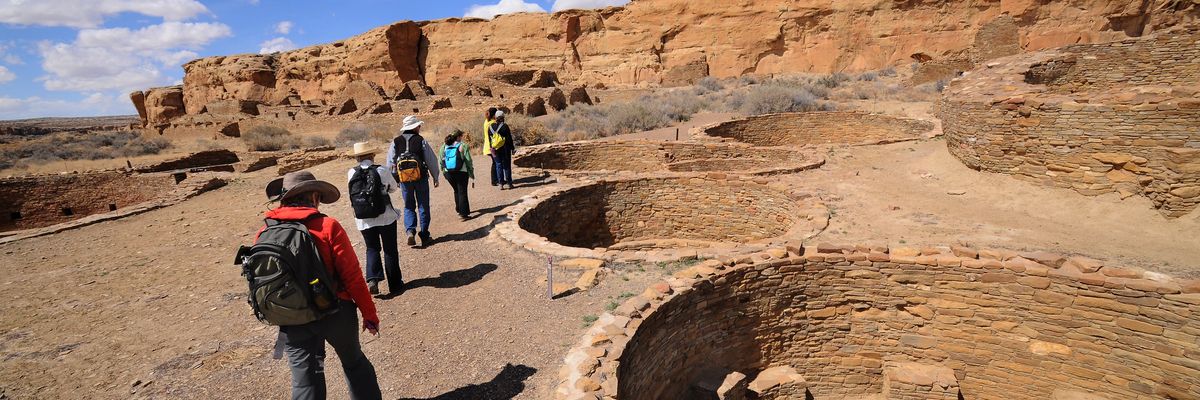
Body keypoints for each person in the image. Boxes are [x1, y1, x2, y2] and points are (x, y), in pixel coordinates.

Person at [259, 170, 382, 400]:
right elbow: (353, 278)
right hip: (336, 311)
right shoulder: (327, 226)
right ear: (314, 196)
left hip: (293, 317)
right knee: (354, 364)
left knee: (306, 380)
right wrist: (369, 314)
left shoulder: (266, 230)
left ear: (284, 197)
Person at [345, 142, 403, 296]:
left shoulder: (351, 172)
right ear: (372, 155)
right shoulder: (381, 170)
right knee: (390, 249)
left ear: (357, 157)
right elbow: (393, 187)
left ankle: (373, 280)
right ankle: (395, 284)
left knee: (372, 248)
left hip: (363, 218)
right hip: (385, 216)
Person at [384, 115, 441, 248]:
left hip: (404, 180)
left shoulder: (395, 142)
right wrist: (435, 176)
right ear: (415, 127)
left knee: (409, 205)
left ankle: (410, 231)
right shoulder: (421, 140)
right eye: (419, 126)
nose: (419, 128)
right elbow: (431, 160)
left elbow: (390, 163)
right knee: (423, 205)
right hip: (420, 178)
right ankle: (425, 234)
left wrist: (395, 179)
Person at [440, 130, 475, 220]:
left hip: (449, 173)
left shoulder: (444, 146)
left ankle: (459, 210)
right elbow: (468, 160)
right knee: (462, 191)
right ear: (458, 137)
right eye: (461, 136)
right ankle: (464, 214)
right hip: (461, 172)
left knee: (456, 190)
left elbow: (440, 160)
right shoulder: (463, 146)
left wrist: (443, 171)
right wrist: (471, 172)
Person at [489, 110, 516, 190]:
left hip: (495, 149)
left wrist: (491, 148)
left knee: (498, 165)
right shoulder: (504, 126)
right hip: (504, 149)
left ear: (495, 117)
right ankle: (509, 183)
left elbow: (489, 139)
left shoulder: (490, 127)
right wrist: (512, 148)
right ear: (503, 117)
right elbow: (509, 139)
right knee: (507, 166)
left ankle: (501, 184)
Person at [481, 107, 498, 187]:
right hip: (492, 146)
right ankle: (494, 180)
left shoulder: (486, 121)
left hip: (487, 146)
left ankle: (496, 179)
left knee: (495, 162)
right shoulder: (492, 122)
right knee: (495, 163)